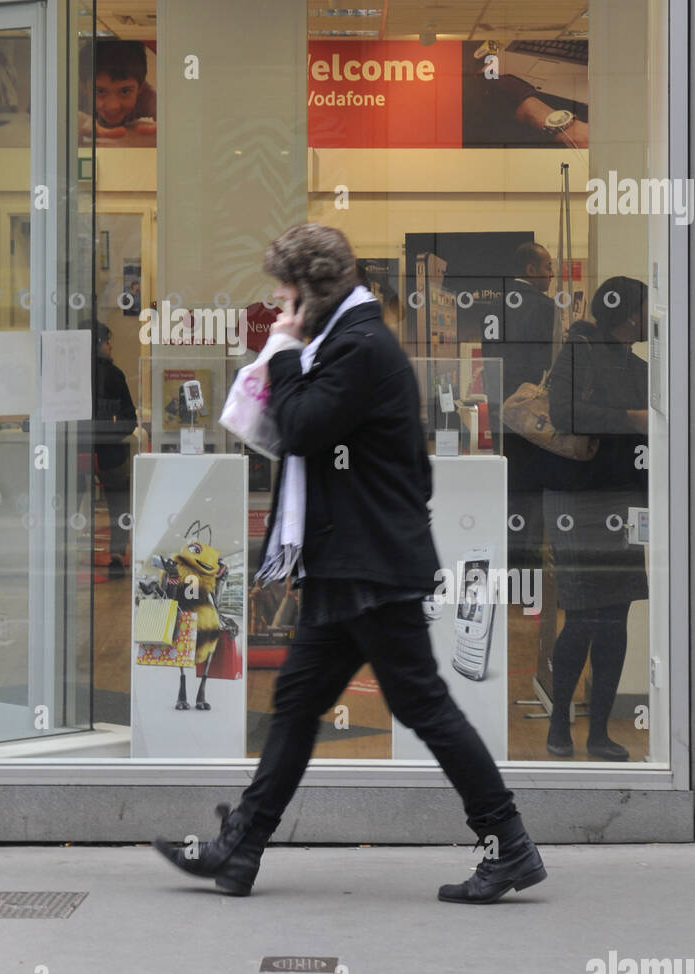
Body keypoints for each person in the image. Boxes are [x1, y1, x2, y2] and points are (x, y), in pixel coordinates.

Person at [153, 223, 546, 902]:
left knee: (421, 705)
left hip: (370, 565)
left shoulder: (359, 345)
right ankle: (239, 851)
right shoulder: (349, 340)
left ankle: (506, 844)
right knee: (297, 703)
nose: (277, 304)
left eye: (284, 292)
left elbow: (302, 425)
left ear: (309, 291)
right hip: (352, 561)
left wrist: (279, 350)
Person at [543, 278, 648, 761]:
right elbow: (563, 413)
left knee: (617, 616)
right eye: (644, 309)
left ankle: (600, 731)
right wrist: (631, 417)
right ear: (626, 314)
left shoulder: (643, 366)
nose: (650, 318)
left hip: (624, 503)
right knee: (584, 614)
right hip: (576, 500)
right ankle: (560, 719)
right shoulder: (579, 351)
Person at [483, 241, 558, 573]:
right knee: (530, 493)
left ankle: (505, 563)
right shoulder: (545, 307)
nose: (552, 275)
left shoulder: (494, 304)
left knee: (507, 487)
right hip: (530, 411)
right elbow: (549, 364)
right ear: (530, 270)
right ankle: (525, 570)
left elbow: (489, 360)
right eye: (547, 268)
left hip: (500, 409)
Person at [80, 321, 137, 577]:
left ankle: (64, 554)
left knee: (70, 501)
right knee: (118, 503)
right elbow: (129, 420)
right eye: (105, 341)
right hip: (110, 452)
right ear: (95, 345)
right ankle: (116, 553)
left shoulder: (71, 374)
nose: (109, 345)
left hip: (76, 449)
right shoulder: (114, 375)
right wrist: (111, 436)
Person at [78, 39, 157, 141]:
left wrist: (171, 128)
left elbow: (176, 118)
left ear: (140, 88)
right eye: (100, 91)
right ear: (84, 86)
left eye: (125, 91)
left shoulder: (147, 96)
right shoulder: (74, 92)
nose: (113, 107)